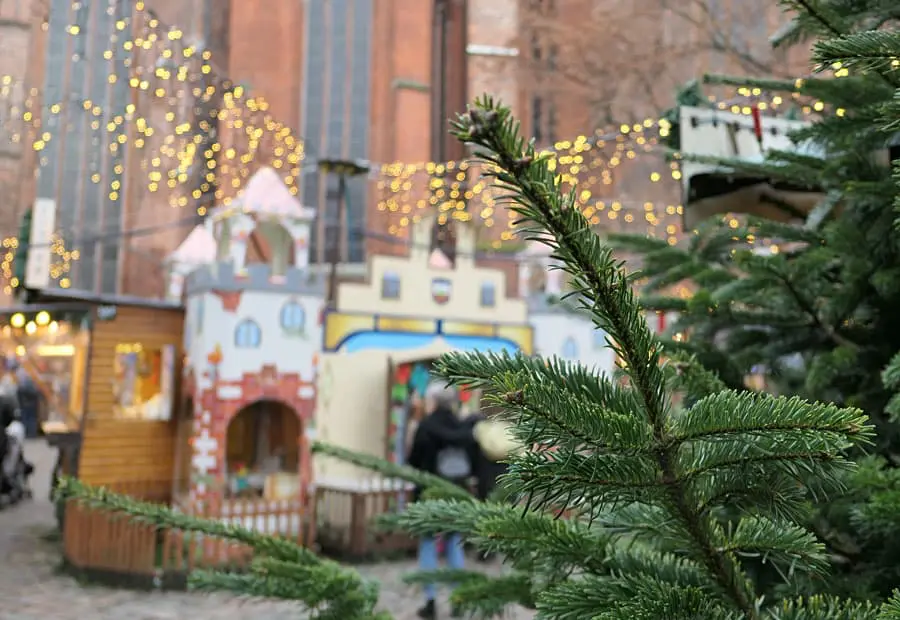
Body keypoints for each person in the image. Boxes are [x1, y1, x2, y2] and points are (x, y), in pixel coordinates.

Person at [407, 382, 476, 620]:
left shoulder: (425, 427)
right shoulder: (464, 427)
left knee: (427, 543)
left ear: (433, 402)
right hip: (456, 495)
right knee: (454, 544)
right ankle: (457, 601)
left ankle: (430, 601)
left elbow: (413, 462)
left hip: (428, 494)